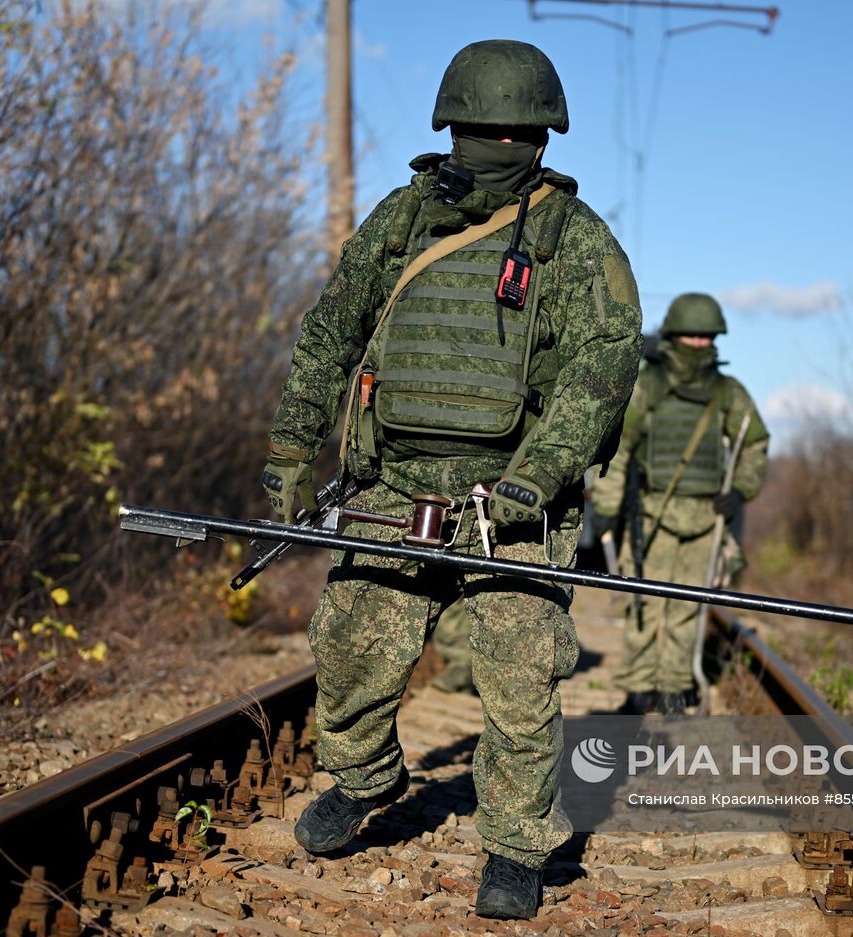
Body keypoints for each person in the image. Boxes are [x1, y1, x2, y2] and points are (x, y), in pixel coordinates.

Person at [262, 39, 641, 920]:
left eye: (511, 131)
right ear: (451, 126)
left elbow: (606, 363)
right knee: (352, 647)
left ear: (542, 138)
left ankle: (514, 843)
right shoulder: (401, 219)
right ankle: (363, 779)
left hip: (508, 498)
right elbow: (330, 332)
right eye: (480, 127)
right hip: (393, 483)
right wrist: (291, 447)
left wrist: (538, 477)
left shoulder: (573, 241)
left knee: (518, 679)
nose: (495, 143)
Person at [588, 293, 768, 715]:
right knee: (642, 604)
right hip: (651, 514)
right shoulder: (648, 385)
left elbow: (755, 443)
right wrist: (609, 508)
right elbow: (620, 446)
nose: (698, 343)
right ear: (672, 335)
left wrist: (740, 489)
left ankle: (672, 689)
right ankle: (637, 690)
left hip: (706, 517)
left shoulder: (728, 392)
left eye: (706, 336)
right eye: (690, 334)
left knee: (687, 608)